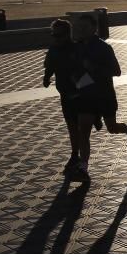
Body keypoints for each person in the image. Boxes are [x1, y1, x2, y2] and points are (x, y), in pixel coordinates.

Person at [71, 13, 127, 180]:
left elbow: (117, 71)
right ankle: (84, 167)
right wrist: (75, 80)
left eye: (85, 27)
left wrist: (94, 68)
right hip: (86, 96)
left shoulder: (104, 48)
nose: (81, 30)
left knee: (112, 128)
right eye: (80, 27)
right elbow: (74, 69)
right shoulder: (77, 47)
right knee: (84, 131)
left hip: (104, 95)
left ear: (94, 28)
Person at [43, 19, 81, 174]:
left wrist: (83, 87)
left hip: (81, 93)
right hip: (65, 93)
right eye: (54, 35)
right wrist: (46, 78)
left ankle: (97, 117)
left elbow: (87, 72)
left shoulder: (77, 49)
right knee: (72, 125)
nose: (56, 38)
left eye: (59, 35)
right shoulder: (53, 49)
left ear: (68, 34)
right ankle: (75, 155)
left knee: (84, 124)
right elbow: (49, 66)